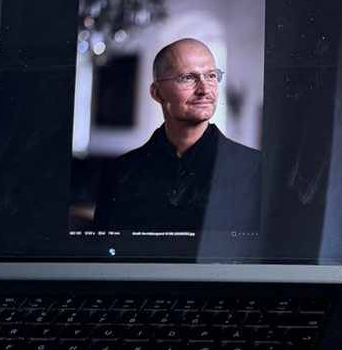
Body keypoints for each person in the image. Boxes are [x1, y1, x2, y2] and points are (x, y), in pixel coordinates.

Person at [91, 38, 260, 250]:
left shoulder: (255, 168)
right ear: (157, 93)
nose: (204, 89)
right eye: (188, 77)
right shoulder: (121, 171)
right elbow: (106, 253)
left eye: (211, 76)